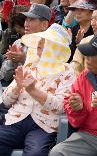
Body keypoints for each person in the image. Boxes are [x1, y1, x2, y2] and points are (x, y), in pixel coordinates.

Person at [0, 23, 75, 156]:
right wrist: (18, 87)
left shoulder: (67, 71)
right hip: (15, 120)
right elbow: (5, 101)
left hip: (43, 126)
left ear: (56, 47)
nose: (39, 42)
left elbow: (62, 105)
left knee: (36, 152)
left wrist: (33, 90)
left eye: (46, 40)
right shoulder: (30, 65)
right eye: (40, 39)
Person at [0, 4, 51, 86]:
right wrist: (12, 61)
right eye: (26, 20)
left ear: (44, 25)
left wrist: (24, 59)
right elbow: (4, 76)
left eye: (32, 20)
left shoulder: (52, 45)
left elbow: (48, 74)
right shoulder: (18, 43)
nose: (26, 24)